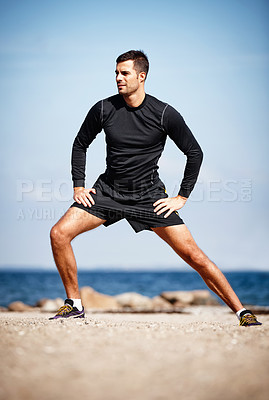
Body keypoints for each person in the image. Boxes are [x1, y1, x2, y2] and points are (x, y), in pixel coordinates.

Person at [50, 50, 261, 327]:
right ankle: (74, 304)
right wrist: (79, 185)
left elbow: (194, 153)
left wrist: (181, 196)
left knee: (194, 256)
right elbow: (80, 144)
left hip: (149, 198)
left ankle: (241, 312)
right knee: (59, 234)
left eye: (124, 73)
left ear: (142, 76)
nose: (118, 78)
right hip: (108, 193)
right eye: (116, 73)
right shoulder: (103, 108)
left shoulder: (164, 113)